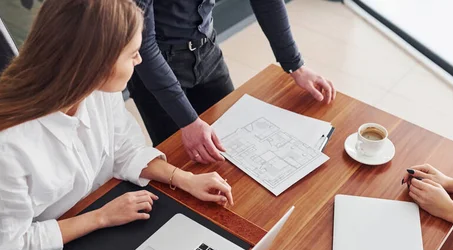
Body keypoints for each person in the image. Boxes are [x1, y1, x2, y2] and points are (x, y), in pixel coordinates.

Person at [0, 0, 234, 250]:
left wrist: (185, 179)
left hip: (93, 220)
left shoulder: (97, 91)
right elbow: (14, 246)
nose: (139, 60)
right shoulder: (1, 148)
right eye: (132, 53)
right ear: (98, 61)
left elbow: (125, 150)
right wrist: (102, 217)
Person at [129, 0, 336, 162]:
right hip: (154, 65)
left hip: (207, 50)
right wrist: (188, 121)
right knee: (180, 162)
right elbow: (142, 45)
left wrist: (295, 65)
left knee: (237, 143)